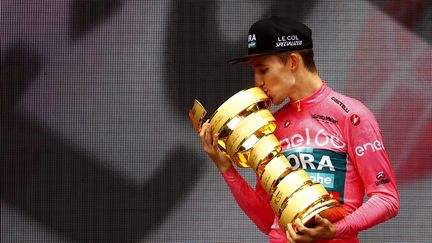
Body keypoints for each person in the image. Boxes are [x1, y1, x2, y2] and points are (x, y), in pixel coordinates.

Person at [197, 16, 399, 242]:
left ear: (293, 62)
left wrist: (335, 229)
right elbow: (267, 220)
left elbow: (386, 199)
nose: (257, 82)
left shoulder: (351, 115)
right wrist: (226, 168)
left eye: (262, 70)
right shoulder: (269, 125)